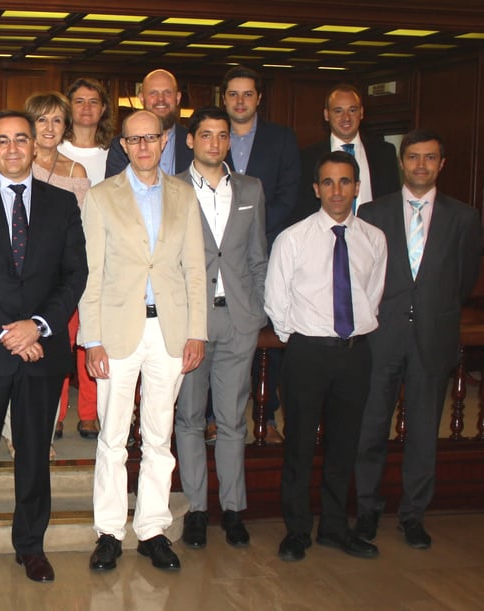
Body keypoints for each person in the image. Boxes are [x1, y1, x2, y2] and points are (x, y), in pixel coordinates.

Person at [0, 109, 87, 585]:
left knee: (34, 455)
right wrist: (8, 332)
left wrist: (38, 326)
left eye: (21, 139)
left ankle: (31, 546)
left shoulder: (62, 204)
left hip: (42, 351)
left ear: (34, 145)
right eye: (2, 140)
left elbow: (75, 274)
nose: (12, 148)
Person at [81, 110, 206, 573]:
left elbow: (195, 269)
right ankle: (109, 532)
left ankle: (152, 529)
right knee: (113, 436)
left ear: (164, 140)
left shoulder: (183, 195)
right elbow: (92, 273)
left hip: (170, 331)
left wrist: (197, 331)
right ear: (124, 145)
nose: (143, 146)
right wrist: (92, 339)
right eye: (134, 140)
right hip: (117, 330)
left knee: (159, 435)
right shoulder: (101, 196)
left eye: (151, 138)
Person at [354, 130, 481, 549]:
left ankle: (413, 515)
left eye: (429, 158)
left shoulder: (464, 218)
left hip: (432, 336)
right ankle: (367, 510)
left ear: (441, 164)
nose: (420, 165)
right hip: (382, 335)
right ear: (401, 163)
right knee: (371, 427)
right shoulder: (373, 213)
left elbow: (462, 280)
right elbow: (364, 274)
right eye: (413, 157)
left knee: (424, 431)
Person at [266, 150, 387, 562]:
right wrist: (300, 337)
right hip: (307, 353)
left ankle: (335, 527)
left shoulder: (373, 239)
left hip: (355, 354)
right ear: (316, 189)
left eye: (345, 182)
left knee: (344, 444)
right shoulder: (293, 238)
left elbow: (373, 294)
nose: (337, 191)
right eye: (329, 182)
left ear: (357, 188)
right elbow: (276, 298)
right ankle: (297, 530)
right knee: (299, 444)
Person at [174, 107, 268, 550]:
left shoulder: (251, 188)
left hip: (238, 319)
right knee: (190, 417)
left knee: (232, 419)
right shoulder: (171, 188)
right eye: (207, 134)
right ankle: (195, 509)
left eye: (223, 135)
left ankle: (233, 509)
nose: (215, 142)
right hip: (190, 321)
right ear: (190, 140)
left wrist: (257, 310)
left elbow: (257, 255)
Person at [222, 65, 301, 444]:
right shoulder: (209, 134)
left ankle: (265, 416)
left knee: (265, 334)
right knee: (217, 335)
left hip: (264, 251)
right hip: (216, 255)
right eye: (233, 94)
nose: (240, 101)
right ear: (224, 99)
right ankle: (213, 415)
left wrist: (253, 233)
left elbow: (289, 193)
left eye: (247, 94)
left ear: (259, 99)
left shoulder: (281, 139)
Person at [21, 91, 95, 442]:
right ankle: (52, 415)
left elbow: (81, 231)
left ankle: (80, 413)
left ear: (66, 126)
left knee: (67, 343)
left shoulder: (76, 171)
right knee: (38, 347)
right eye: (41, 119)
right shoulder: (17, 163)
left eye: (56, 120)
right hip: (25, 275)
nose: (49, 128)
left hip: (63, 274)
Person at [296, 84, 399, 221]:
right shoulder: (307, 157)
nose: (346, 118)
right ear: (326, 115)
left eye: (352, 110)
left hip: (374, 231)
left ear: (361, 112)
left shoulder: (385, 153)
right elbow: (303, 207)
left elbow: (393, 203)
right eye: (338, 111)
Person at [106, 69, 194, 178]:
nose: (160, 99)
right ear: (142, 99)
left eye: (167, 93)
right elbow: (115, 187)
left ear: (178, 98)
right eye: (153, 93)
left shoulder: (195, 143)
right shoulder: (119, 147)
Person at [58, 78, 112, 185]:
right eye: (79, 101)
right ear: (69, 107)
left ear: (103, 109)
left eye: (93, 102)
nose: (86, 107)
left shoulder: (113, 154)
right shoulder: (55, 150)